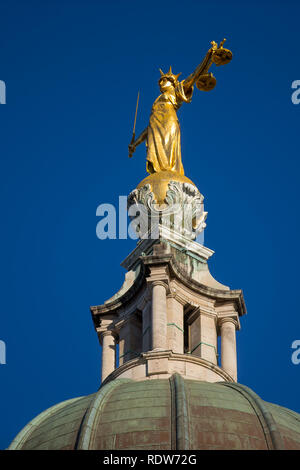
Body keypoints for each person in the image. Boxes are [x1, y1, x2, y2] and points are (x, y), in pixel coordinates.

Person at [128, 40, 232, 176]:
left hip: (169, 124)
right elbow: (149, 127)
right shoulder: (157, 101)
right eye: (159, 82)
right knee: (156, 166)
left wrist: (209, 57)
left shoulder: (177, 90)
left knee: (170, 160)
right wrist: (135, 144)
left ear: (172, 82)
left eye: (163, 80)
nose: (160, 83)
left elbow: (196, 75)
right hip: (154, 129)